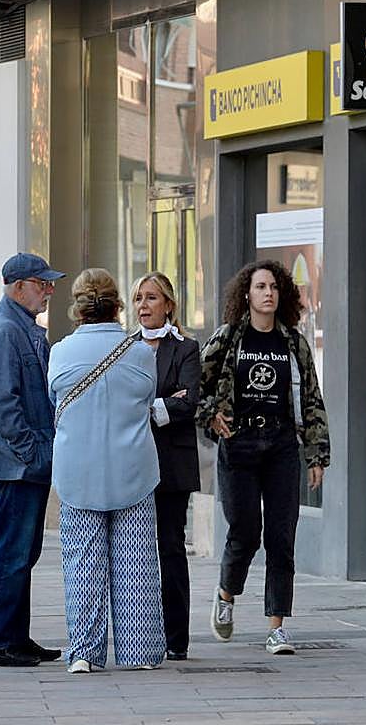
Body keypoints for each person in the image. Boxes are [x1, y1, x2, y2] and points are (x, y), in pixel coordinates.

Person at [198, 259, 330, 656]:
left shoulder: (293, 343)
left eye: (273, 286)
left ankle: (276, 626)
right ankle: (226, 593)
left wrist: (317, 454)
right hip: (239, 443)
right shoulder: (227, 340)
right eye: (260, 287)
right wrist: (211, 416)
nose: (268, 293)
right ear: (247, 294)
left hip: (281, 444)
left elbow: (311, 399)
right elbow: (197, 387)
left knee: (281, 537)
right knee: (244, 533)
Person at [49, 269, 165, 673]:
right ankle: (139, 652)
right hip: (132, 468)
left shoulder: (60, 352)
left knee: (83, 563)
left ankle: (83, 652)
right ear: (118, 306)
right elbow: (148, 400)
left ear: (78, 309)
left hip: (77, 469)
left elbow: (53, 401)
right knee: (136, 565)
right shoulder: (140, 353)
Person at [0, 253, 66, 668]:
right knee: (12, 553)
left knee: (22, 553)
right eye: (42, 283)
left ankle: (15, 636)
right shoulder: (5, 329)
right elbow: (1, 400)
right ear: (19, 287)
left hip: (28, 460)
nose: (49, 290)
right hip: (17, 463)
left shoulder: (22, 327)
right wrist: (31, 451)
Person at [130, 272, 201, 661]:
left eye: (152, 298)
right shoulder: (124, 348)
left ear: (169, 305)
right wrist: (163, 404)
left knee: (170, 548)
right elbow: (120, 400)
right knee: (134, 551)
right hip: (132, 460)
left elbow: (189, 403)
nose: (143, 305)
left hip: (172, 464)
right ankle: (137, 634)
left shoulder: (186, 348)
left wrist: (147, 407)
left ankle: (177, 639)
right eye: (139, 298)